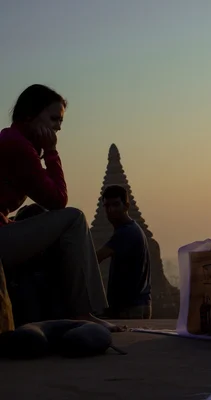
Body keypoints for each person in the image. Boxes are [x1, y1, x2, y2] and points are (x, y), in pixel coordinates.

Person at [0, 84, 122, 332]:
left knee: (41, 217)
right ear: (30, 115)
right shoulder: (18, 146)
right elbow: (57, 199)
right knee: (74, 218)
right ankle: (81, 312)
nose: (58, 127)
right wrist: (53, 152)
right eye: (54, 118)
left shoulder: (13, 140)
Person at [96, 185, 152, 319]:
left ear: (126, 206)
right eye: (107, 206)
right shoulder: (130, 229)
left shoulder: (126, 232)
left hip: (131, 308)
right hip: (136, 305)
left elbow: (96, 258)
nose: (111, 210)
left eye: (116, 205)